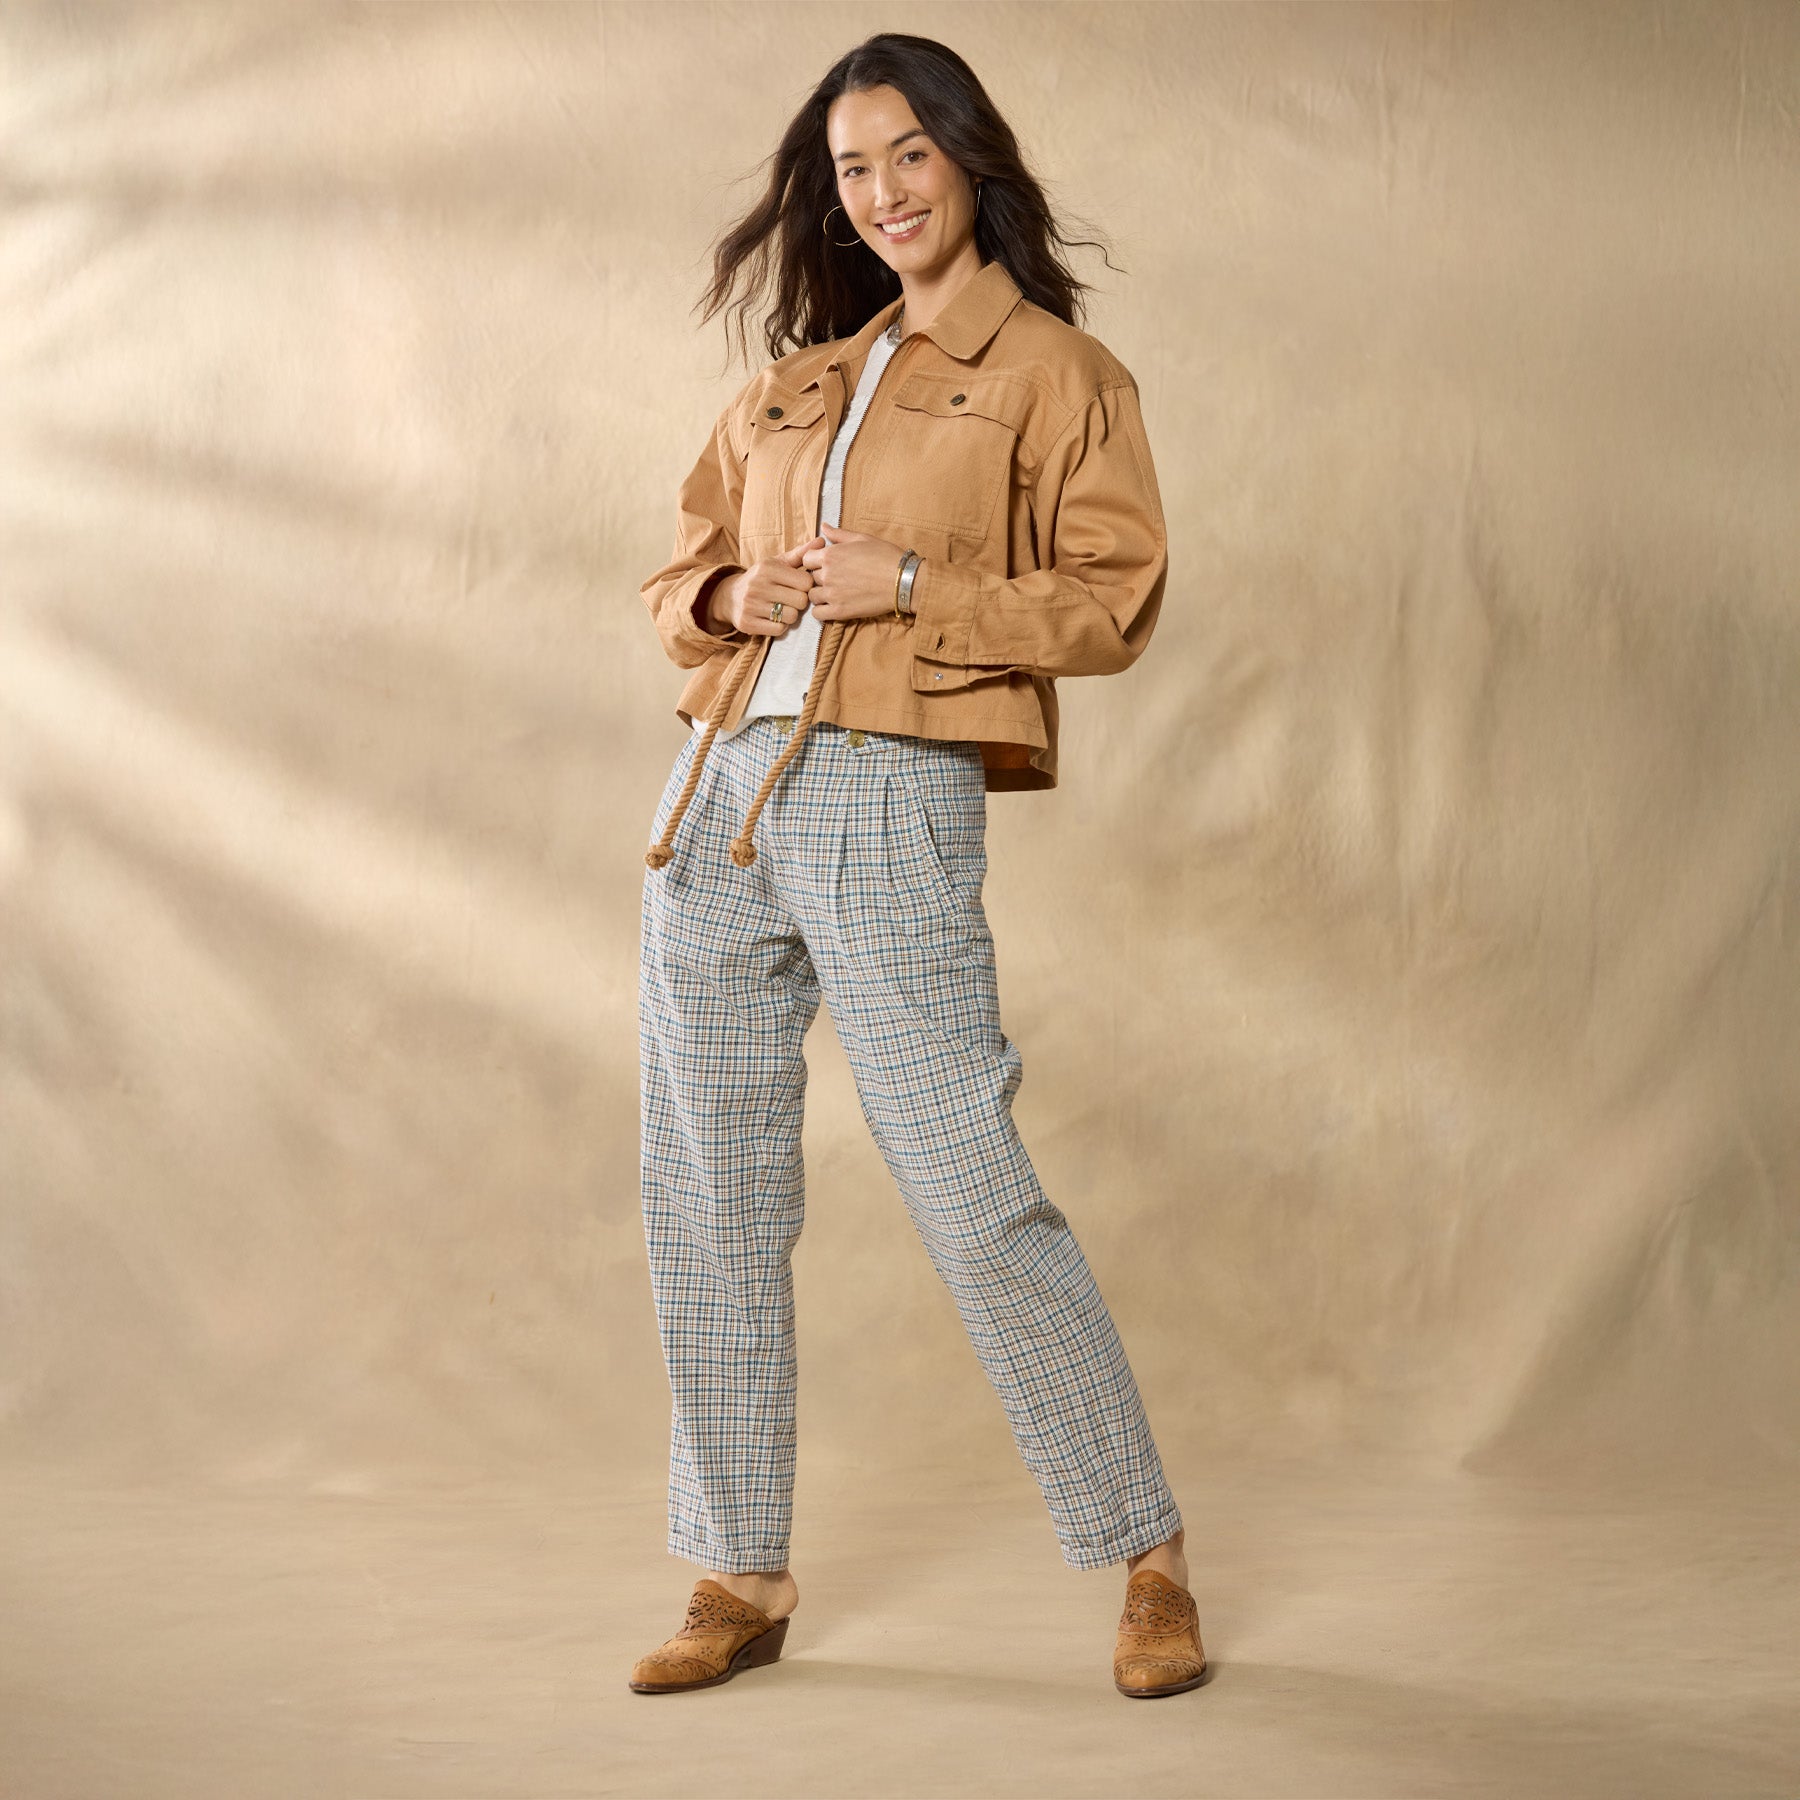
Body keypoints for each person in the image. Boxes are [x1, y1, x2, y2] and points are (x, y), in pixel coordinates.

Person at [629, 31, 1208, 1700]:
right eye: (853, 168)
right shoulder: (798, 379)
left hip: (889, 785)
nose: (882, 192)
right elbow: (679, 574)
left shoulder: (1058, 375)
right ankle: (738, 1573)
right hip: (712, 794)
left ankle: (1148, 1555)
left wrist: (909, 586)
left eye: (908, 156)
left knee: (964, 1175)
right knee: (708, 1190)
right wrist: (729, 598)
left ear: (967, 159)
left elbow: (1111, 603)